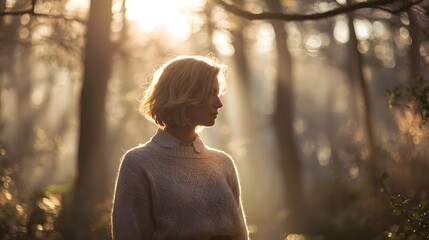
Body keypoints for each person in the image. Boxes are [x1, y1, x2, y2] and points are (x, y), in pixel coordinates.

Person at [111, 55, 249, 240]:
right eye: (210, 93)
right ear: (185, 93)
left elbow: (241, 235)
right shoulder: (138, 163)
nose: (219, 103)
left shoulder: (223, 163)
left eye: (218, 93)